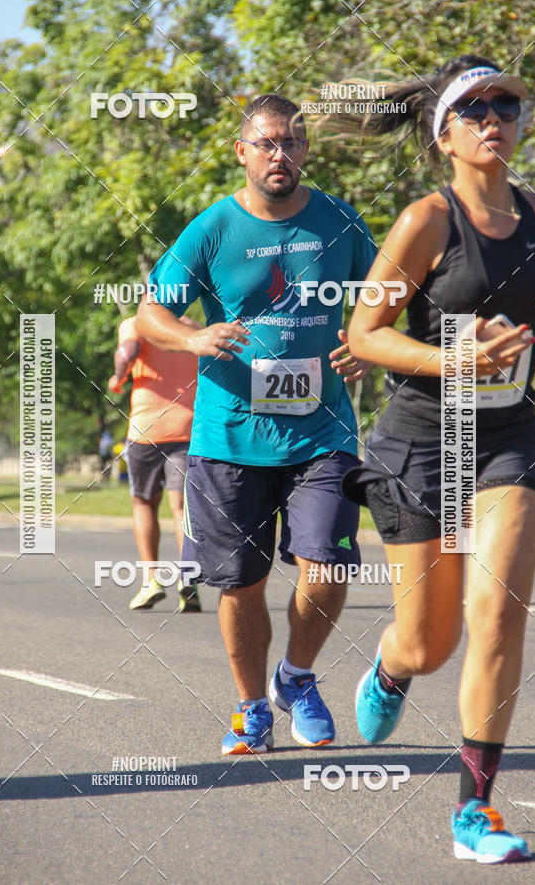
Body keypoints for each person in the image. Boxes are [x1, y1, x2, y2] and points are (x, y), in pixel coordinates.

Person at [333, 57, 535, 863]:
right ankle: (392, 668)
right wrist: (454, 362)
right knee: (431, 642)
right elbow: (364, 334)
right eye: (475, 108)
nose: (495, 117)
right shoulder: (428, 219)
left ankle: (474, 812)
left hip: (508, 442)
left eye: (508, 105)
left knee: (496, 613)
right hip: (424, 440)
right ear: (445, 134)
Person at [136, 93, 376, 754]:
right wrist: (192, 337)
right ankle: (251, 709)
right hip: (228, 435)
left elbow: (389, 295)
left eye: (292, 142)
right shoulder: (212, 229)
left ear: (306, 151)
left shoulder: (338, 222)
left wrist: (366, 340)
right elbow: (152, 312)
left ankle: (296, 677)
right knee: (240, 583)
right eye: (267, 143)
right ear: (241, 151)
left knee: (327, 564)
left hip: (322, 432)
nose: (281, 154)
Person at [108, 314, 201, 612]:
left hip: (146, 430)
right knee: (181, 507)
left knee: (144, 503)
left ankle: (151, 581)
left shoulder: (136, 324)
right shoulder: (195, 329)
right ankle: (188, 577)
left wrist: (118, 377)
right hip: (188, 428)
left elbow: (128, 352)